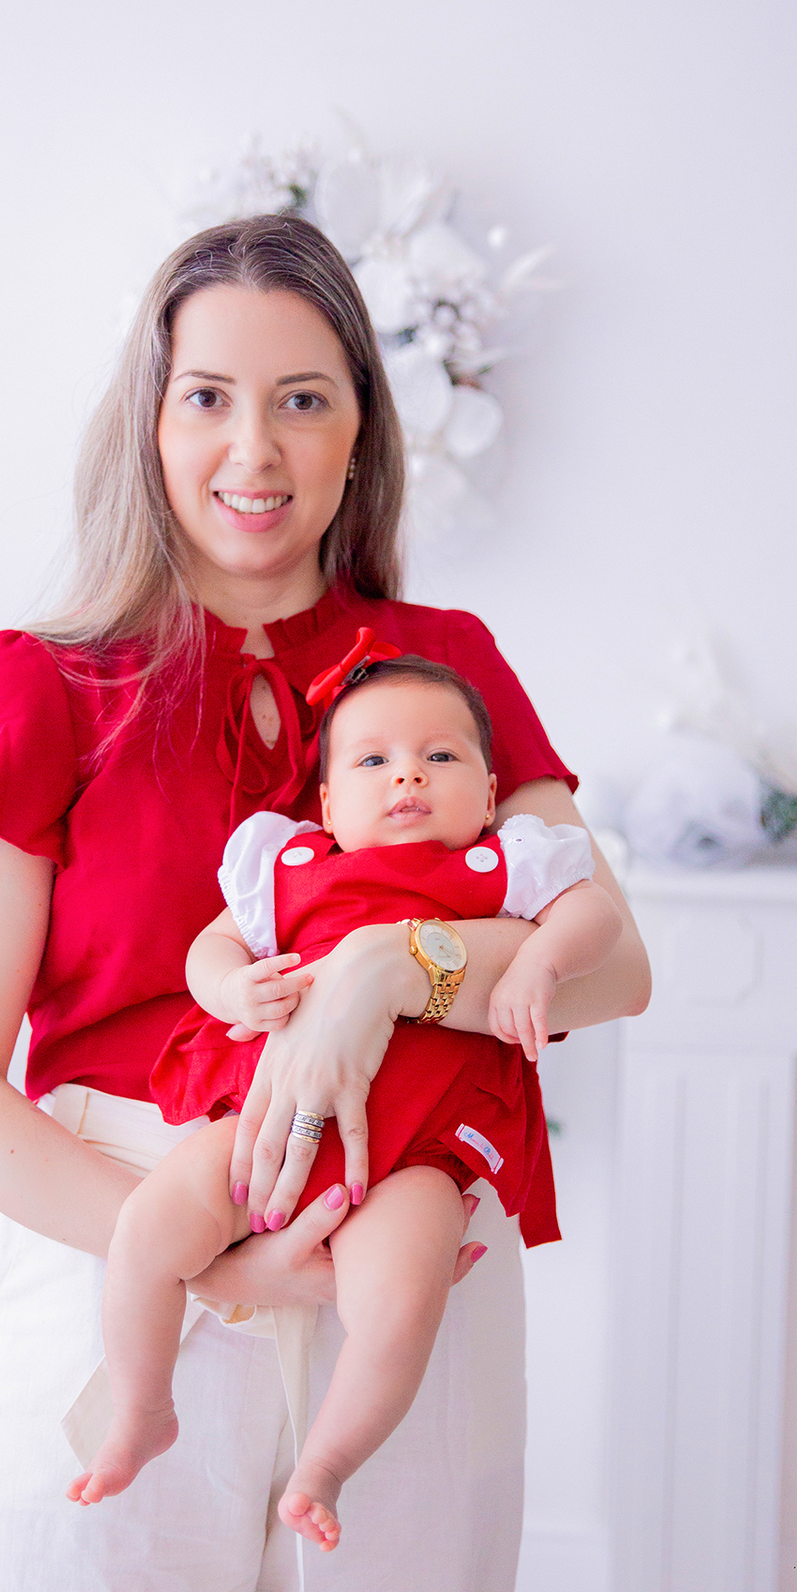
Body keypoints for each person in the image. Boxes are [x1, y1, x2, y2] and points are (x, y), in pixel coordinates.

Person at [0, 213, 651, 1592]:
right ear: (151, 423)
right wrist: (209, 1263)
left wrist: (390, 974)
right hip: (116, 1242)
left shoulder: (448, 666)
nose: (256, 446)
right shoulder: (44, 684)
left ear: (362, 429)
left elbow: (614, 963)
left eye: (304, 397)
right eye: (208, 397)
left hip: (410, 1259)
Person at [69, 653, 624, 1544]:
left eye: (439, 757)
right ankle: (141, 1409)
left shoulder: (506, 865)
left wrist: (540, 959)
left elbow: (596, 918)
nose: (406, 772)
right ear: (324, 807)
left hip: (418, 1149)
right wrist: (228, 991)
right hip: (268, 1122)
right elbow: (208, 950)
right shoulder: (284, 865)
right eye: (371, 761)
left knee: (399, 1304)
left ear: (488, 796)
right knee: (146, 1232)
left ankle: (325, 1464)